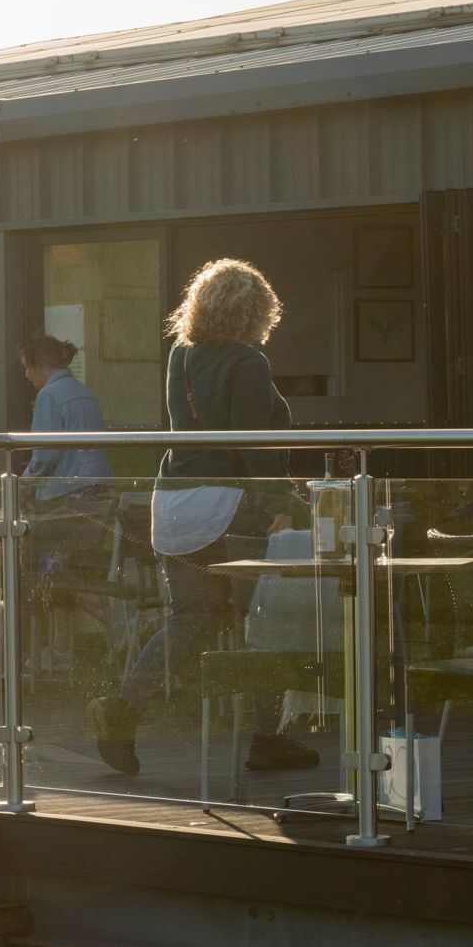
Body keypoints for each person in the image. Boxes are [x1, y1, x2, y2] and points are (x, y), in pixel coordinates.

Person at [88, 258, 315, 776]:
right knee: (266, 620)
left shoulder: (181, 356)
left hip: (175, 502)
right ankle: (267, 737)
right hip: (233, 506)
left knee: (189, 621)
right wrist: (288, 505)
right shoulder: (249, 364)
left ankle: (123, 708)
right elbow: (253, 448)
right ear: (256, 311)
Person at [18, 335, 113, 501]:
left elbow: (45, 455)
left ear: (39, 366)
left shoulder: (48, 395)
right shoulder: (85, 393)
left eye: (27, 367)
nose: (26, 375)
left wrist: (25, 480)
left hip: (66, 491)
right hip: (98, 488)